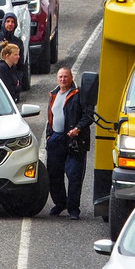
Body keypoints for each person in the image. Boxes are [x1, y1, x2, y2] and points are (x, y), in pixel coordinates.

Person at [45, 67, 92, 220]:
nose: (63, 79)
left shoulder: (78, 95)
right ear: (57, 78)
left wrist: (78, 128)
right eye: (60, 77)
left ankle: (73, 208)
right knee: (54, 174)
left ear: (71, 78)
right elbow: (50, 117)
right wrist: (48, 135)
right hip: (56, 139)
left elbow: (88, 115)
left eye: (66, 76)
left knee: (74, 175)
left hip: (74, 141)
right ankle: (60, 204)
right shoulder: (54, 94)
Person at [0, 12, 28, 89]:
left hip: (11, 80)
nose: (10, 24)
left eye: (12, 22)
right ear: (3, 23)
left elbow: (20, 64)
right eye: (8, 21)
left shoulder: (18, 42)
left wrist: (19, 80)